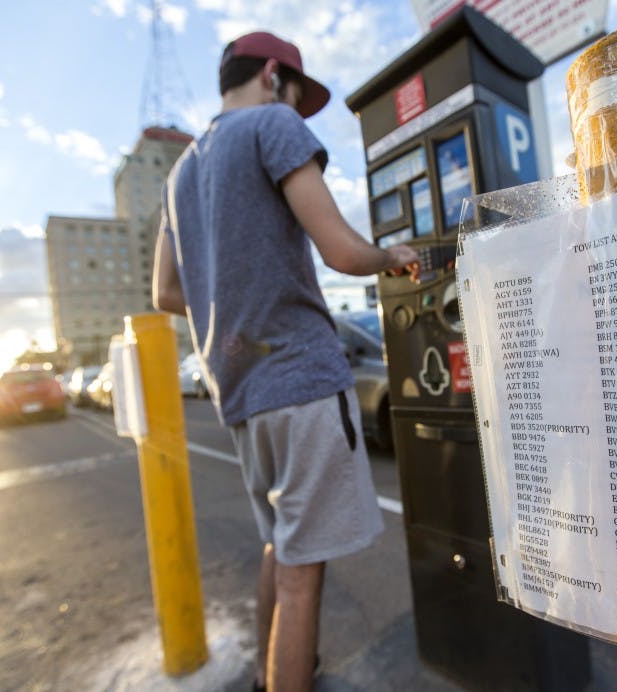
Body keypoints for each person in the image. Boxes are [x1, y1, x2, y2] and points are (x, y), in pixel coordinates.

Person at [152, 31, 420, 692]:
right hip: (300, 379)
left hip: (240, 396)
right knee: (304, 578)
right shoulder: (272, 125)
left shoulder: (181, 170)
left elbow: (163, 292)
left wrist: (226, 299)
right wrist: (393, 255)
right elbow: (339, 250)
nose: (298, 113)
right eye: (298, 96)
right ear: (274, 75)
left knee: (281, 548)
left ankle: (272, 675)